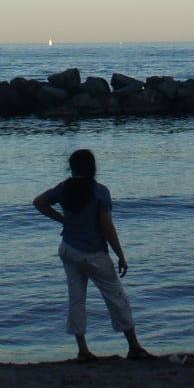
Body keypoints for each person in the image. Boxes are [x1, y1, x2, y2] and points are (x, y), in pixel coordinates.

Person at [32, 148, 154, 362]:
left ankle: (83, 350)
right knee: (116, 298)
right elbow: (107, 227)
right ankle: (134, 346)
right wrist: (120, 255)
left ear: (72, 167)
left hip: (68, 248)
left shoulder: (64, 189)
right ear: (92, 167)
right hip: (93, 253)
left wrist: (63, 220)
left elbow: (39, 202)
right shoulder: (99, 192)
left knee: (76, 299)